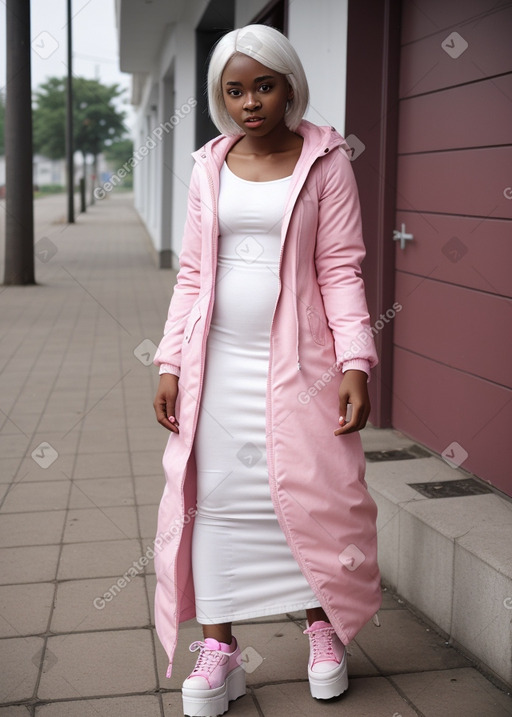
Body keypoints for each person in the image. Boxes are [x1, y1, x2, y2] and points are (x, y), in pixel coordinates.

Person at [152, 23, 381, 717]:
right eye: (234, 90)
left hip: (301, 367)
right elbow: (193, 273)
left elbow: (340, 268)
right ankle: (219, 650)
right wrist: (168, 360)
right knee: (214, 499)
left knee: (312, 493)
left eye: (263, 85)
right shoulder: (208, 165)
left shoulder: (326, 160)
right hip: (214, 364)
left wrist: (356, 361)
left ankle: (324, 630)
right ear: (221, 98)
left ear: (288, 86)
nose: (249, 101)